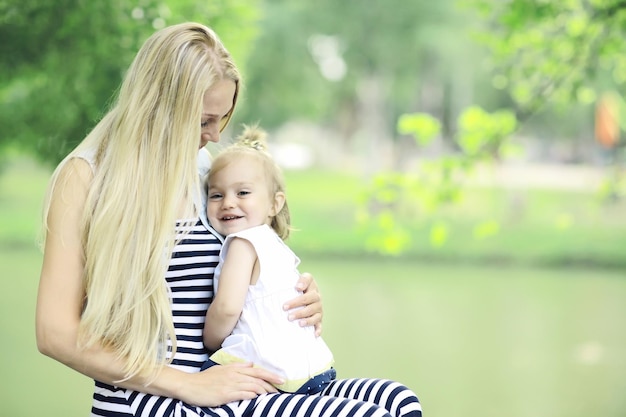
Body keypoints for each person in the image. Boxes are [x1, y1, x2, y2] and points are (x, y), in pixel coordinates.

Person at [35, 22, 422, 417]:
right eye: (203, 121)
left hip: (227, 380)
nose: (215, 135)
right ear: (159, 106)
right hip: (157, 399)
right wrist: (189, 385)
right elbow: (54, 334)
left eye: (222, 118)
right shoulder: (87, 177)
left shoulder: (205, 168)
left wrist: (295, 297)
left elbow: (236, 271)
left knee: (398, 401)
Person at [202, 126, 336, 395]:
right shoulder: (274, 244)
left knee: (207, 380)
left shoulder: (243, 243)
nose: (228, 203)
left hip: (267, 373)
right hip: (316, 369)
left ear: (275, 204)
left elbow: (228, 308)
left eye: (242, 193)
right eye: (217, 195)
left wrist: (211, 339)